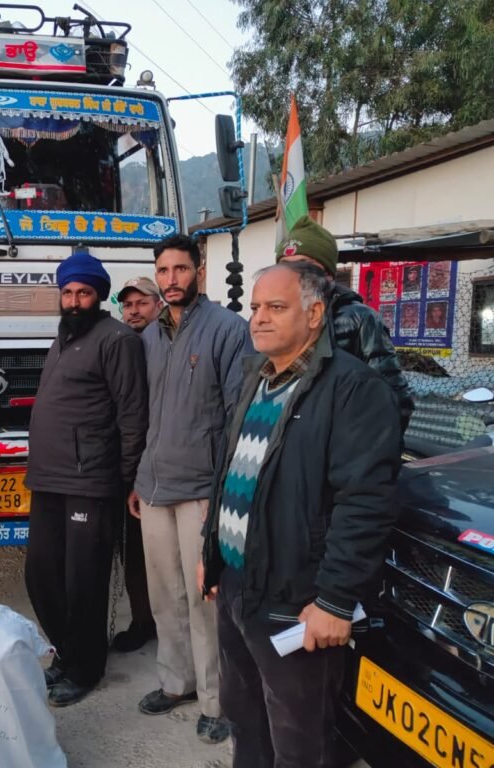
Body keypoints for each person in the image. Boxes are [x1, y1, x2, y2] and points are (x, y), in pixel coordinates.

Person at [201, 261, 401, 767]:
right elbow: (230, 474)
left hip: (296, 601)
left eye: (276, 307)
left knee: (299, 741)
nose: (259, 318)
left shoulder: (353, 389)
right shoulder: (257, 376)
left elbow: (365, 501)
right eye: (255, 308)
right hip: (238, 588)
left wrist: (334, 600)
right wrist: (212, 552)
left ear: (314, 315)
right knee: (245, 721)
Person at [129, 234, 251, 744]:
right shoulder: (149, 337)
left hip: (203, 488)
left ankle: (216, 700)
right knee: (164, 594)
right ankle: (175, 682)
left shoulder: (227, 330)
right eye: (163, 270)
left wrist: (225, 492)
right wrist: (137, 479)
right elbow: (143, 414)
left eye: (180, 269)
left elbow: (238, 416)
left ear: (200, 270)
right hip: (154, 487)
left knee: (206, 601)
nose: (171, 279)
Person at [25, 251, 148, 706]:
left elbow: (132, 416)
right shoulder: (64, 337)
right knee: (41, 574)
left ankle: (85, 667)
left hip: (90, 481)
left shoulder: (118, 340)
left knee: (84, 582)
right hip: (48, 478)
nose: (75, 301)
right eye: (68, 292)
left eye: (84, 293)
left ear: (99, 296)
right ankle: (67, 652)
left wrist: (128, 479)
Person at [276, 214, 414, 431]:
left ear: (328, 275)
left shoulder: (359, 319)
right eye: (284, 267)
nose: (293, 275)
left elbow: (393, 400)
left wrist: (357, 448)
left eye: (305, 266)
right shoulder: (268, 321)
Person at [110, 276, 160, 653]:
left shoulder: (165, 345)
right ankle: (144, 620)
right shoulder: (120, 344)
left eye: (142, 303)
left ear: (158, 305)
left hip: (158, 465)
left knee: (159, 556)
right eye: (128, 305)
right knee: (133, 554)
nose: (134, 311)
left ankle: (163, 623)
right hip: (126, 463)